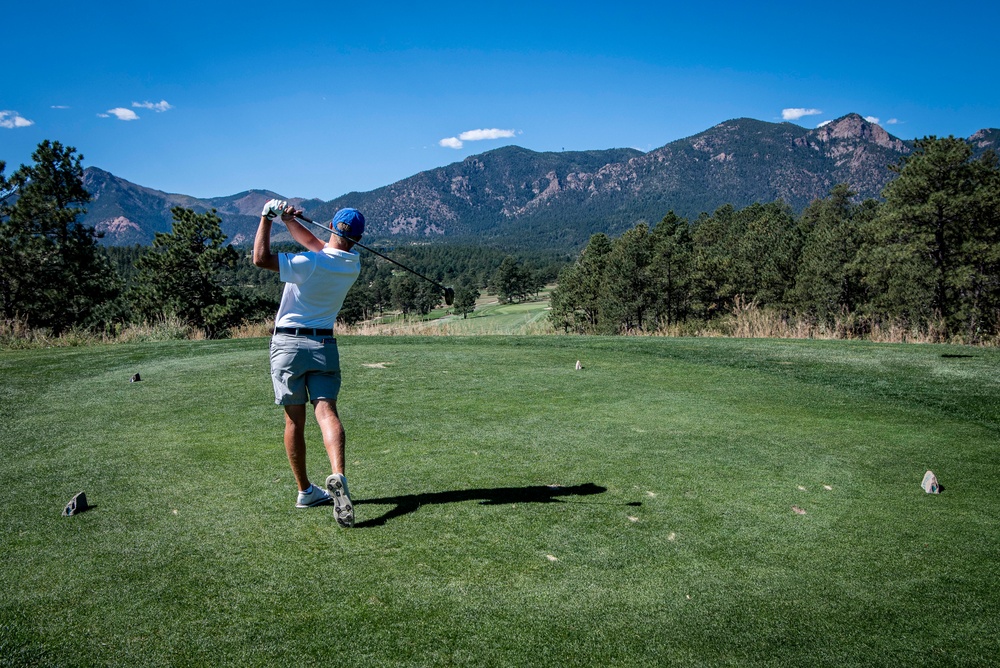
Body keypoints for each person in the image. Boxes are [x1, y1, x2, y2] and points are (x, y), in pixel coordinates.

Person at [253, 198, 364, 527]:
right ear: (357, 239)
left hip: (288, 344)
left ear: (331, 225)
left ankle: (305, 491)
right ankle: (338, 475)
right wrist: (290, 221)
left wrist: (267, 219)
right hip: (323, 344)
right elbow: (318, 244)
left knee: (294, 422)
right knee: (327, 411)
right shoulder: (351, 264)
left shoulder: (308, 263)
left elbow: (260, 259)